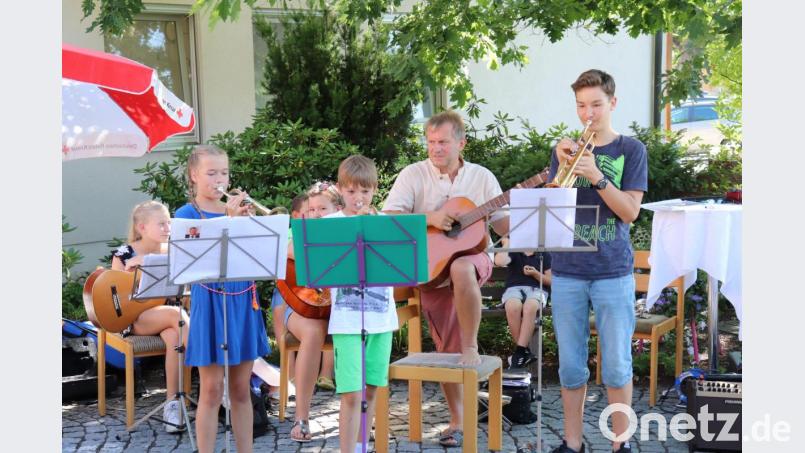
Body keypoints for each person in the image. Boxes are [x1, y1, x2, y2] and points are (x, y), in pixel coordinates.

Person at [382, 110, 508, 447]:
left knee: (461, 267)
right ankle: (458, 419)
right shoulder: (413, 174)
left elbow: (502, 223)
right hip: (430, 266)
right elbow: (390, 218)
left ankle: (472, 345)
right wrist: (432, 218)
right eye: (431, 142)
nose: (436, 148)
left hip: (474, 259)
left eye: (443, 142)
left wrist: (531, 212)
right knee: (446, 347)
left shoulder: (481, 177)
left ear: (461, 143)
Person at [547, 69, 647, 453]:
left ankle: (620, 444)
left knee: (617, 365)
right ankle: (573, 443)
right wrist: (561, 163)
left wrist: (597, 176)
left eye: (596, 105)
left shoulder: (631, 150)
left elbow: (630, 212)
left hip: (612, 270)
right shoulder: (565, 150)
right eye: (581, 106)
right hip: (568, 271)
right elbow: (553, 206)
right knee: (571, 366)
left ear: (613, 103)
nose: (588, 114)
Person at [175, 144, 271, 453]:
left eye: (225, 173)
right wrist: (228, 221)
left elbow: (259, 257)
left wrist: (249, 224)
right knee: (212, 390)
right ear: (194, 175)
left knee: (241, 389)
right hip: (211, 303)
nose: (220, 179)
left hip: (243, 301)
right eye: (211, 173)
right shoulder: (187, 215)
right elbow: (195, 266)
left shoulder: (239, 213)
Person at [329, 155, 397, 453]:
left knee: (370, 390)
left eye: (365, 191)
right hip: (346, 321)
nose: (358, 197)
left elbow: (402, 264)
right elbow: (300, 252)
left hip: (382, 319)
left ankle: (361, 447)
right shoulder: (330, 225)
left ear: (375, 190)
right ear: (339, 189)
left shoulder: (386, 224)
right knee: (351, 394)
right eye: (351, 191)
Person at [111, 200, 190, 434]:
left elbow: (184, 295)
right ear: (142, 228)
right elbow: (115, 301)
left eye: (169, 223)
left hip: (170, 316)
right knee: (177, 315)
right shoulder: (124, 255)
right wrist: (135, 272)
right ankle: (213, 373)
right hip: (136, 320)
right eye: (161, 224)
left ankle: (172, 404)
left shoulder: (175, 251)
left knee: (174, 335)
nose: (168, 228)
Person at [284, 181, 343, 442]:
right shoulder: (296, 234)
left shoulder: (347, 233)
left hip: (338, 307)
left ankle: (362, 415)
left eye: (323, 208)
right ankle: (302, 417)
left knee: (363, 327)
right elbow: (289, 251)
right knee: (313, 332)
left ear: (338, 210)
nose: (317, 214)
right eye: (312, 209)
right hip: (301, 309)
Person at [493, 237, 552, 369]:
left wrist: (536, 274)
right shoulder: (514, 251)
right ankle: (523, 352)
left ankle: (519, 353)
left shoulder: (543, 253)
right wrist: (507, 243)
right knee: (512, 306)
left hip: (537, 289)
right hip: (514, 289)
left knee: (530, 307)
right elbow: (499, 261)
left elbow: (551, 280)